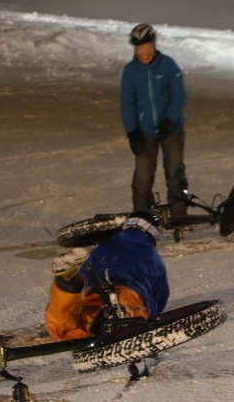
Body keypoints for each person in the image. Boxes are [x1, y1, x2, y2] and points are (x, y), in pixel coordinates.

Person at [45, 211, 169, 340]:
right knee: (129, 314)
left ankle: (66, 290)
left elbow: (85, 275)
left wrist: (78, 283)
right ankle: (115, 320)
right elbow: (160, 295)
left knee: (62, 328)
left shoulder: (102, 249)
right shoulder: (154, 258)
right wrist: (152, 310)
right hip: (128, 295)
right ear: (153, 234)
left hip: (97, 294)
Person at [121, 23, 189, 216]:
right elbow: (127, 104)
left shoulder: (168, 65)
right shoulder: (130, 72)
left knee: (175, 174)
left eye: (148, 47)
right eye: (140, 48)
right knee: (142, 179)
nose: (144, 52)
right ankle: (141, 217)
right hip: (145, 132)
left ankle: (179, 216)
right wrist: (132, 132)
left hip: (171, 129)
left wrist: (169, 119)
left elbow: (179, 96)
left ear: (154, 45)